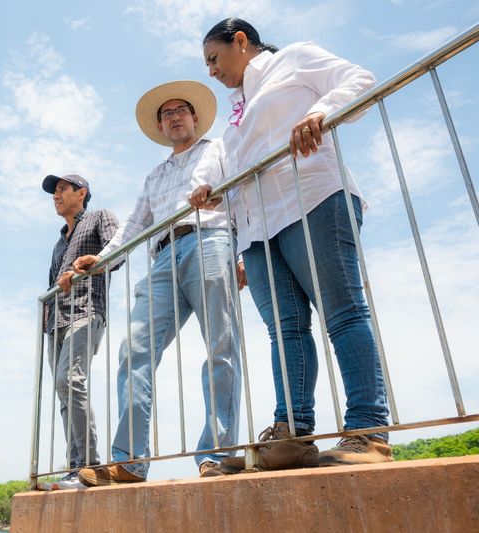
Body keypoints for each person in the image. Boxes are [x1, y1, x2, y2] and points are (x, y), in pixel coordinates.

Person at [197, 18, 391, 471]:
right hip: (258, 230)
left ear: (240, 42)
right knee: (284, 334)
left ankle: (368, 431)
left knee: (343, 314)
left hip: (314, 197)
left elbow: (359, 79)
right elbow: (237, 173)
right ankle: (291, 434)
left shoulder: (295, 59)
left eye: (213, 58)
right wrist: (217, 196)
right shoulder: (237, 114)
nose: (211, 71)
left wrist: (320, 112)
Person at [73, 80, 245, 486]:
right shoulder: (154, 176)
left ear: (195, 117)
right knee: (134, 348)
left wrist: (244, 252)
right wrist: (102, 258)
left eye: (180, 111)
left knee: (221, 344)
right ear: (161, 127)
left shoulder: (221, 149)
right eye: (166, 114)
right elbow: (134, 225)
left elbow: (243, 192)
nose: (173, 118)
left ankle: (217, 454)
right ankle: (130, 460)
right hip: (163, 255)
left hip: (210, 239)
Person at [39, 173, 119, 490]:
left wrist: (96, 261)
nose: (55, 195)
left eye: (61, 189)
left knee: (69, 380)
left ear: (81, 193)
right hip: (54, 322)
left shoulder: (101, 217)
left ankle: (88, 466)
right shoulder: (59, 242)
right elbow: (50, 282)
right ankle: (74, 468)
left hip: (86, 310)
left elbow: (119, 250)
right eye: (53, 192)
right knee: (63, 394)